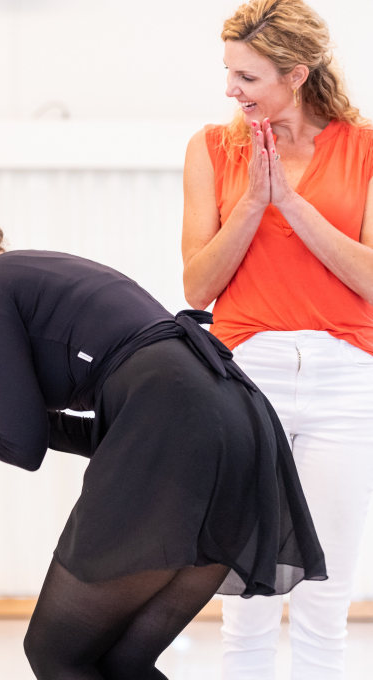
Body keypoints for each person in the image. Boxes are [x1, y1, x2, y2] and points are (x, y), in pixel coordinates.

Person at [0, 186, 326, 680]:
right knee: (119, 661)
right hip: (233, 419)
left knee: (56, 651)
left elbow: (21, 447)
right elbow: (112, 437)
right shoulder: (37, 274)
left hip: (174, 422)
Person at [181, 1, 373, 677]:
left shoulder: (366, 147)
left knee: (326, 594)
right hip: (247, 375)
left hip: (346, 379)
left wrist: (293, 206)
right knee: (248, 593)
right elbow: (198, 287)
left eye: (248, 77)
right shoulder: (212, 148)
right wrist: (253, 205)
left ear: (296, 73)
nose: (231, 89)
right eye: (229, 72)